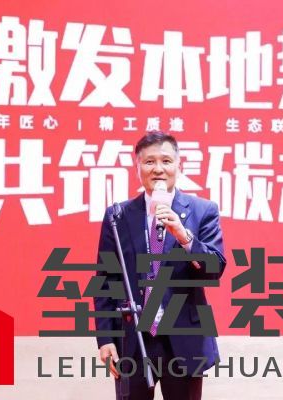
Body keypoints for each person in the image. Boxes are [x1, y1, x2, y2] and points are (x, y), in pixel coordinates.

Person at [94, 131, 227, 400]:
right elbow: (106, 280)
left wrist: (184, 236)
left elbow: (214, 268)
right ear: (137, 167)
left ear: (179, 165)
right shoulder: (118, 216)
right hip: (133, 340)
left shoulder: (202, 210)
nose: (158, 169)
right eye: (149, 162)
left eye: (166, 161)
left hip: (184, 340)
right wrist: (106, 338)